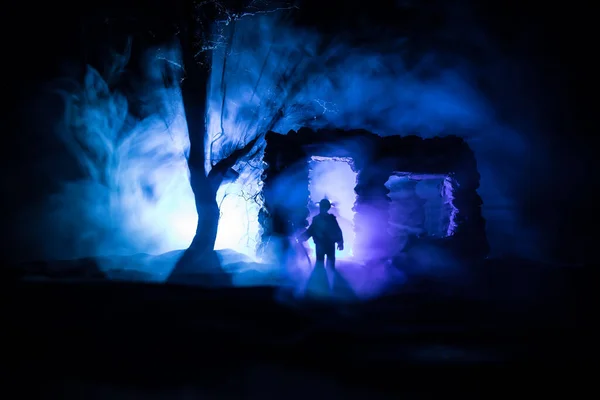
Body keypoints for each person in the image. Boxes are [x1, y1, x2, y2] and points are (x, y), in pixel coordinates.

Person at [300, 199, 344, 269]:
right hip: (321, 244)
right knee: (320, 264)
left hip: (329, 244)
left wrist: (340, 243)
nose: (323, 208)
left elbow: (337, 231)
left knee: (330, 264)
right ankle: (321, 276)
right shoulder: (317, 219)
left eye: (324, 207)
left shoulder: (331, 219)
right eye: (322, 206)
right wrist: (302, 237)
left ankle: (329, 276)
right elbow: (311, 230)